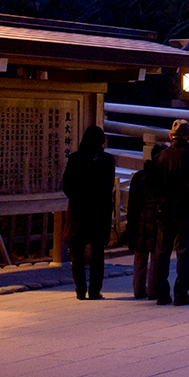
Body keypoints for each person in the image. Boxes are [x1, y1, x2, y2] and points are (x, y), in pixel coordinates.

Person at [152, 119, 189, 306]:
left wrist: (164, 201)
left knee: (162, 251)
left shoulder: (160, 157)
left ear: (170, 135)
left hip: (164, 210)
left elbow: (153, 185)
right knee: (183, 251)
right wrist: (179, 201)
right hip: (184, 210)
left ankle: (161, 293)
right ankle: (181, 293)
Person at [62, 125, 116, 300]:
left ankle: (79, 290)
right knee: (97, 252)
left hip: (79, 210)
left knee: (77, 251)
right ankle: (94, 290)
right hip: (99, 211)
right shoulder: (108, 160)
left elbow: (67, 186)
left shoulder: (75, 159)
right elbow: (109, 185)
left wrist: (78, 198)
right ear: (102, 141)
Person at [125, 142, 166, 300]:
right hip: (156, 221)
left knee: (140, 257)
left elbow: (132, 202)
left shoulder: (139, 176)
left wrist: (131, 222)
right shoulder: (162, 177)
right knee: (156, 257)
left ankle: (138, 289)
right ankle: (153, 290)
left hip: (139, 221)